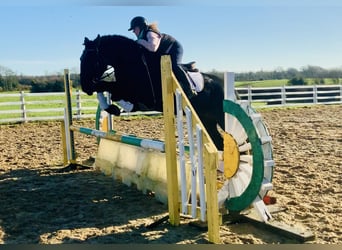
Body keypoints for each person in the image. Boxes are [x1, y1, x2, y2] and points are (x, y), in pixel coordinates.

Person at [128, 16, 197, 99]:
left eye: (134, 29)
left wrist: (140, 41)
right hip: (165, 53)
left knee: (175, 65)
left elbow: (153, 48)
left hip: (174, 48)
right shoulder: (143, 37)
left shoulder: (150, 33)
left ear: (141, 26)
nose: (133, 32)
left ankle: (190, 89)